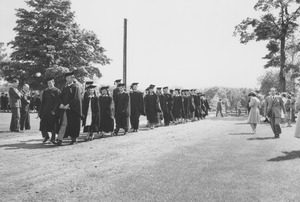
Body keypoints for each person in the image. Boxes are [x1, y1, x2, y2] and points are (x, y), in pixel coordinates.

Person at [57, 71, 82, 146]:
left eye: (68, 78)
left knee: (73, 124)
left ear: (72, 78)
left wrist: (69, 105)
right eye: (66, 78)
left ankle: (73, 139)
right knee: (63, 123)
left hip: (73, 110)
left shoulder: (76, 87)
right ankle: (60, 139)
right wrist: (61, 103)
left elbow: (76, 98)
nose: (67, 79)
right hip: (65, 109)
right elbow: (60, 97)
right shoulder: (65, 88)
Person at [39, 77, 61, 144]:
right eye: (48, 83)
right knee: (43, 124)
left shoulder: (56, 90)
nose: (49, 84)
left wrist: (54, 110)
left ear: (53, 82)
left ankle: (53, 138)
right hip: (45, 111)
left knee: (53, 125)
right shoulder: (45, 91)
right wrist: (40, 111)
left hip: (53, 111)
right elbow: (43, 102)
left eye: (50, 82)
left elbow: (58, 102)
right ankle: (46, 136)